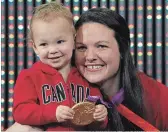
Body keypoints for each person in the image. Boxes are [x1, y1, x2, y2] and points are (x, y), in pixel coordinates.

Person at [6, 7, 168, 131]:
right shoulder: (37, 77)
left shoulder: (155, 95)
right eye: (82, 47)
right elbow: (22, 111)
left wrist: (99, 117)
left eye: (101, 46)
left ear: (122, 49)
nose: (90, 56)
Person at [11, 3, 107, 131]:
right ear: (35, 47)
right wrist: (53, 113)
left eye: (60, 42)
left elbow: (97, 119)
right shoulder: (30, 76)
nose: (53, 50)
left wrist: (100, 116)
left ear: (74, 41)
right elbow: (21, 112)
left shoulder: (86, 75)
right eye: (44, 44)